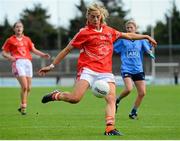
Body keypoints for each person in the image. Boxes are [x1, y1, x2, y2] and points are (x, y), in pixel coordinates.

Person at [38, 3, 157, 136]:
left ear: (101, 17)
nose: (95, 19)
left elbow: (128, 35)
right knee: (75, 99)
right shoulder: (83, 33)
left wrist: (146, 36)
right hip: (88, 70)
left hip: (105, 72)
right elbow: (67, 49)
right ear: (88, 17)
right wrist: (51, 66)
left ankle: (109, 128)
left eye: (97, 16)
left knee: (111, 98)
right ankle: (56, 95)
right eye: (92, 17)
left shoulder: (109, 31)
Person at [2, 21, 50, 115]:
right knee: (24, 86)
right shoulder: (10, 40)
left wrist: (43, 55)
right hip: (18, 62)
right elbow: (3, 52)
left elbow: (33, 50)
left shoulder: (27, 39)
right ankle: (24, 107)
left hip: (28, 62)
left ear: (23, 28)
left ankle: (21, 105)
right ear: (14, 29)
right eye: (17, 27)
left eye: (20, 27)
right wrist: (10, 57)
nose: (19, 28)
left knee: (29, 88)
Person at [114, 20, 156, 119]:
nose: (129, 29)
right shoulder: (122, 40)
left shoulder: (141, 40)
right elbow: (113, 48)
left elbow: (148, 48)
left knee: (142, 93)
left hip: (138, 69)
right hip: (126, 68)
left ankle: (133, 112)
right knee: (129, 89)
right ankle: (117, 100)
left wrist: (150, 52)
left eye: (131, 27)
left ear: (135, 29)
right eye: (127, 28)